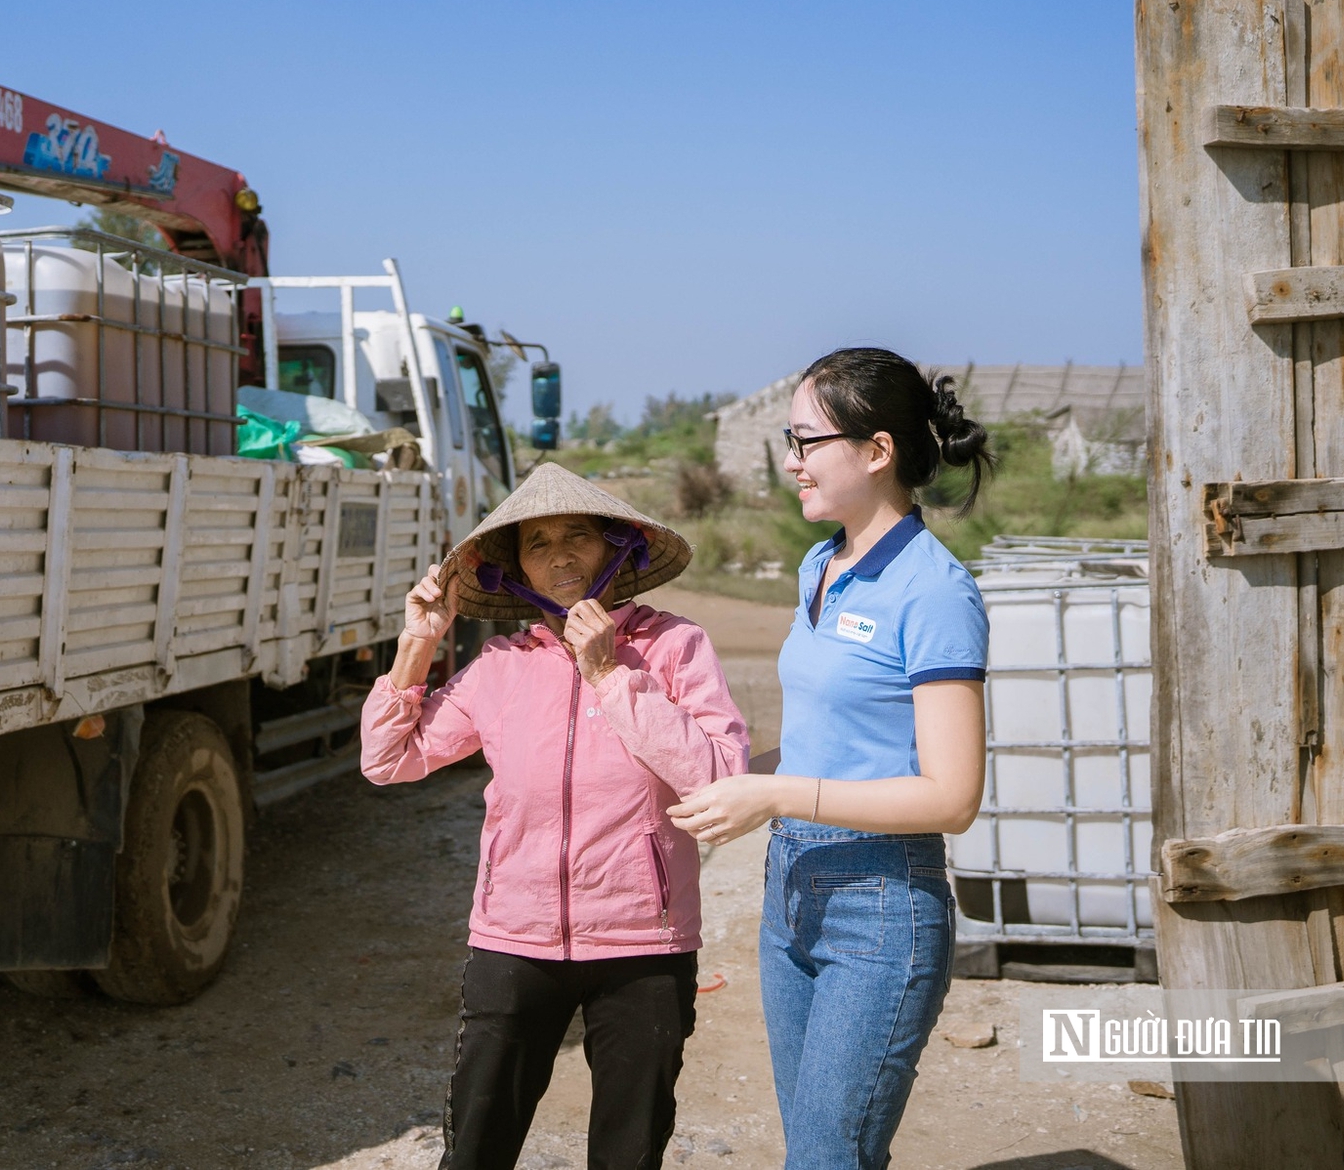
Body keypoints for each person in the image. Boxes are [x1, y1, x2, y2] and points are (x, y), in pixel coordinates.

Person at [360, 463, 750, 1170]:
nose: (560, 554)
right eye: (538, 543)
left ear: (616, 549)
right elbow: (388, 758)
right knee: (475, 1150)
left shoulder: (674, 647)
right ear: (517, 569)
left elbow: (719, 778)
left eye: (578, 534)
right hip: (514, 941)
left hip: (645, 944)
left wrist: (610, 674)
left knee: (627, 1155)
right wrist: (417, 643)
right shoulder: (501, 663)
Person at [668, 348, 993, 1170]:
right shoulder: (821, 565)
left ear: (877, 451)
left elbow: (952, 796)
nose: (789, 461)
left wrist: (775, 793)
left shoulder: (934, 591)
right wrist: (727, 774)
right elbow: (822, 742)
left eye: (806, 441)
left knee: (824, 1158)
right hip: (791, 893)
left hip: (879, 911)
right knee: (822, 1151)